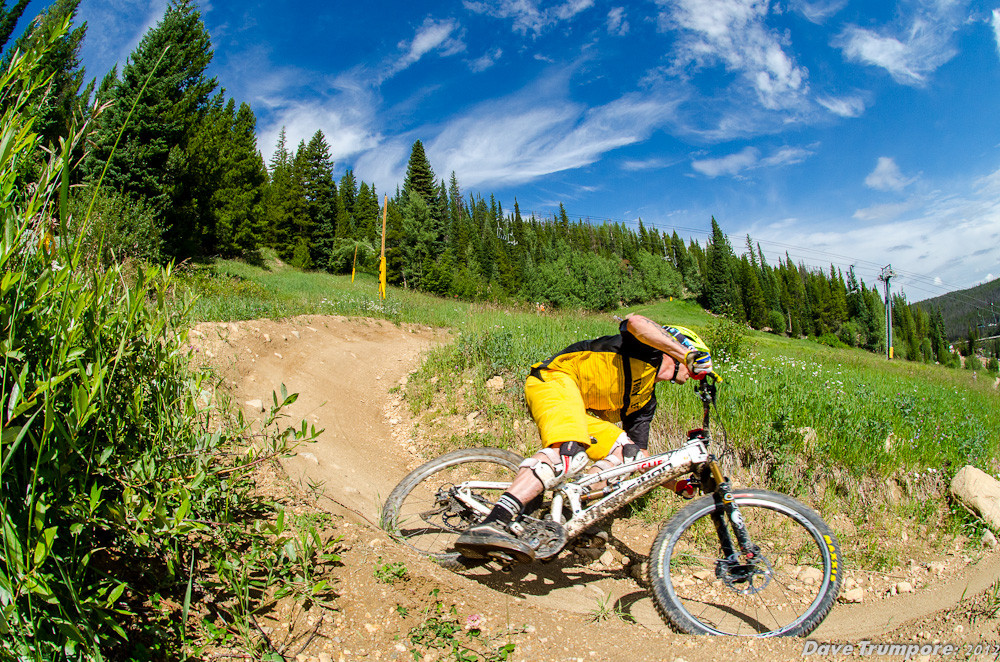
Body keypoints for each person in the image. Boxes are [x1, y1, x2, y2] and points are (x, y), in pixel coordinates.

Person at [455, 313, 713, 562]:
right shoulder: (647, 350)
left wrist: (677, 485)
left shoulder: (645, 401)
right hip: (553, 381)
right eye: (696, 360)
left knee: (627, 454)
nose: (694, 373)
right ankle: (494, 522)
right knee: (570, 453)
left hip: (574, 409)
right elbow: (635, 322)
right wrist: (687, 355)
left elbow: (642, 459)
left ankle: (568, 513)